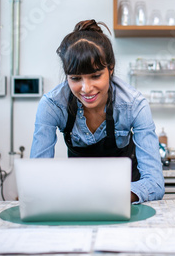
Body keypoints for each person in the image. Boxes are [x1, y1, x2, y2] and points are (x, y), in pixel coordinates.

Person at [30, 19, 165, 203]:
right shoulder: (52, 105)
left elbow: (155, 184)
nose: (86, 88)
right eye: (76, 78)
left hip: (125, 202)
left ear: (110, 69)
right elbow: (38, 179)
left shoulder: (134, 105)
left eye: (95, 76)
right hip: (78, 200)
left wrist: (108, 197)